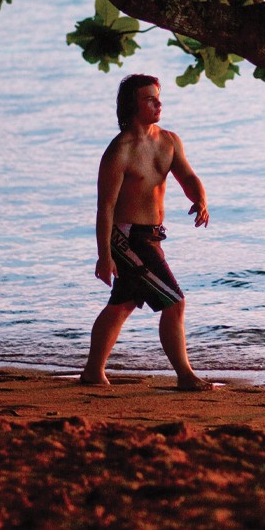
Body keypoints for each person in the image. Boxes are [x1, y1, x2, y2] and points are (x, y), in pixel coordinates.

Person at [80, 74, 213, 391]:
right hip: (127, 238)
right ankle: (185, 375)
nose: (158, 103)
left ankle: (93, 372)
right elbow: (105, 207)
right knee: (174, 302)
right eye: (150, 99)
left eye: (158, 97)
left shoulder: (169, 141)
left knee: (123, 303)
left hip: (152, 235)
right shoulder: (120, 150)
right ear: (133, 104)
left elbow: (188, 176)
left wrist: (200, 199)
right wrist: (104, 256)